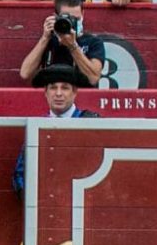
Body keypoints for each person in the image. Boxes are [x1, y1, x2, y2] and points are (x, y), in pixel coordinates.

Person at [11, 64, 99, 202]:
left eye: (65, 88)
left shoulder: (90, 122)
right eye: (53, 88)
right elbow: (20, 174)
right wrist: (33, 203)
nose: (58, 93)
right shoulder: (36, 128)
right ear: (45, 93)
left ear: (74, 92)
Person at [18, 0, 104, 86]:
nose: (72, 23)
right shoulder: (49, 40)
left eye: (76, 19)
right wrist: (45, 38)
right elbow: (25, 73)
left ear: (83, 14)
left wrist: (73, 47)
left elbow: (93, 78)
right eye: (68, 19)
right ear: (56, 16)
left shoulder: (93, 42)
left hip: (83, 96)